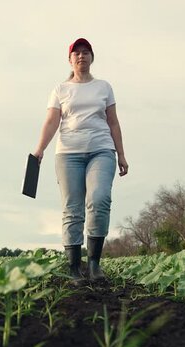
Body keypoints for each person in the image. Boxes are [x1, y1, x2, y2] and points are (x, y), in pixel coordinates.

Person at [32, 38, 128, 286]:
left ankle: (94, 264)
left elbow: (113, 122)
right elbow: (51, 121)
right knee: (72, 208)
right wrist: (39, 149)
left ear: (92, 58)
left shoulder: (104, 87)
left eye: (86, 53)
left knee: (99, 200)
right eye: (77, 53)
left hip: (102, 150)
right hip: (68, 154)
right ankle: (74, 268)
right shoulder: (60, 89)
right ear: (70, 59)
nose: (81, 57)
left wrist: (121, 153)